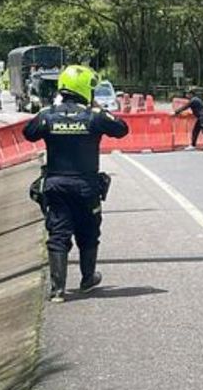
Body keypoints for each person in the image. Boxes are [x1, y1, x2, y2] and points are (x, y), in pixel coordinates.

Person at [22, 64, 128, 302]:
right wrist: (97, 108)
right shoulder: (94, 116)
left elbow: (28, 133)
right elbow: (122, 129)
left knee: (58, 234)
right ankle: (87, 279)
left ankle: (57, 289)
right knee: (89, 233)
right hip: (86, 186)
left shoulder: (48, 114)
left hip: (56, 186)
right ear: (85, 90)